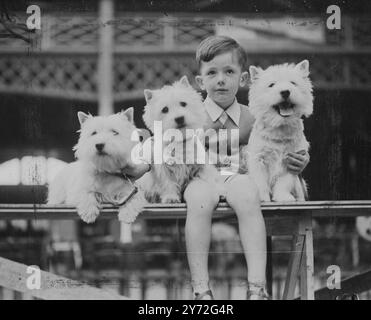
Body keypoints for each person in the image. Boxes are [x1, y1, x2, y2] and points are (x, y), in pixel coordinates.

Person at [184, 35, 309, 300]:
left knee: (249, 195)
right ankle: (201, 289)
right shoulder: (189, 113)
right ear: (200, 81)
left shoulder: (256, 115)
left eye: (229, 71)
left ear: (243, 79)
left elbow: (284, 142)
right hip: (200, 176)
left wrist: (300, 158)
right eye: (212, 73)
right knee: (198, 199)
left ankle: (256, 287)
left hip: (236, 175)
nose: (221, 79)